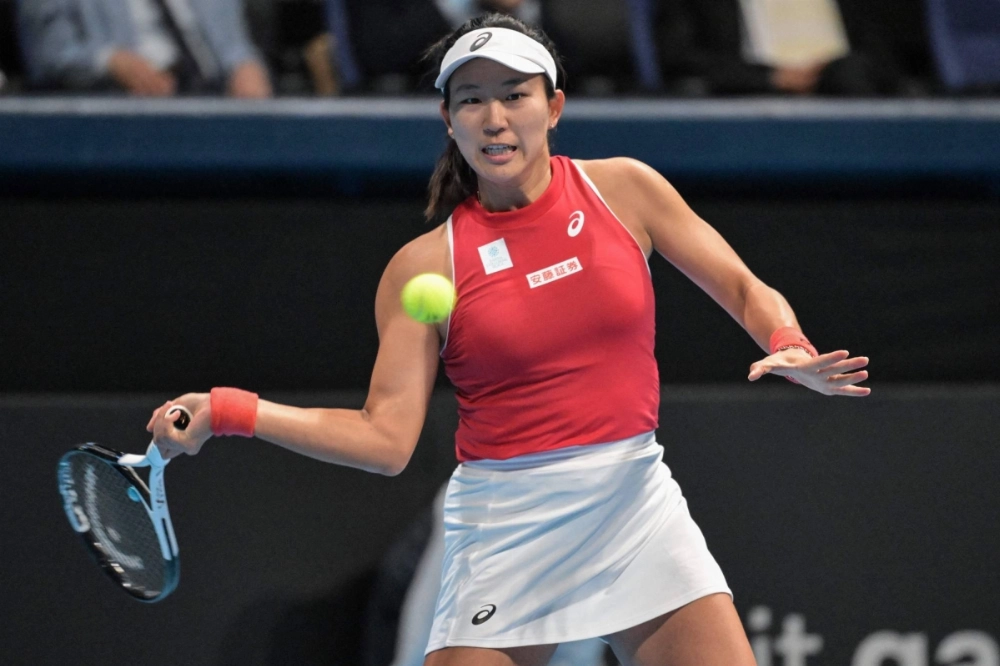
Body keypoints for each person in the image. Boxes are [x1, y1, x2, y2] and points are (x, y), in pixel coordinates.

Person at [148, 13, 870, 666]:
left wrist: (789, 340)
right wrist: (229, 411)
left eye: (514, 94)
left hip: (633, 501)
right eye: (471, 99)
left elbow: (744, 287)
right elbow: (384, 439)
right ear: (448, 120)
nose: (494, 118)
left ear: (553, 106)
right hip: (508, 522)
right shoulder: (426, 266)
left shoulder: (625, 191)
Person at [17, 0, 271, 97]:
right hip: (119, 109)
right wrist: (108, 61)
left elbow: (235, 47)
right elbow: (47, 55)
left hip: (212, 101)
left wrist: (246, 66)